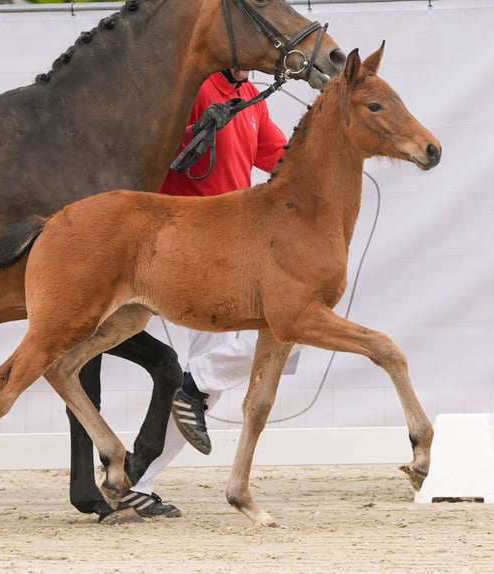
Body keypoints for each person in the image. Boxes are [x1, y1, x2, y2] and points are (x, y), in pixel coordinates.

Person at [116, 68, 288, 518]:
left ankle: (138, 481)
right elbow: (155, 141)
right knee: (278, 332)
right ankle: (192, 387)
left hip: (232, 243)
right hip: (191, 243)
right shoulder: (195, 85)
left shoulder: (250, 94)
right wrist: (195, 129)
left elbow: (282, 158)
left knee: (217, 375)